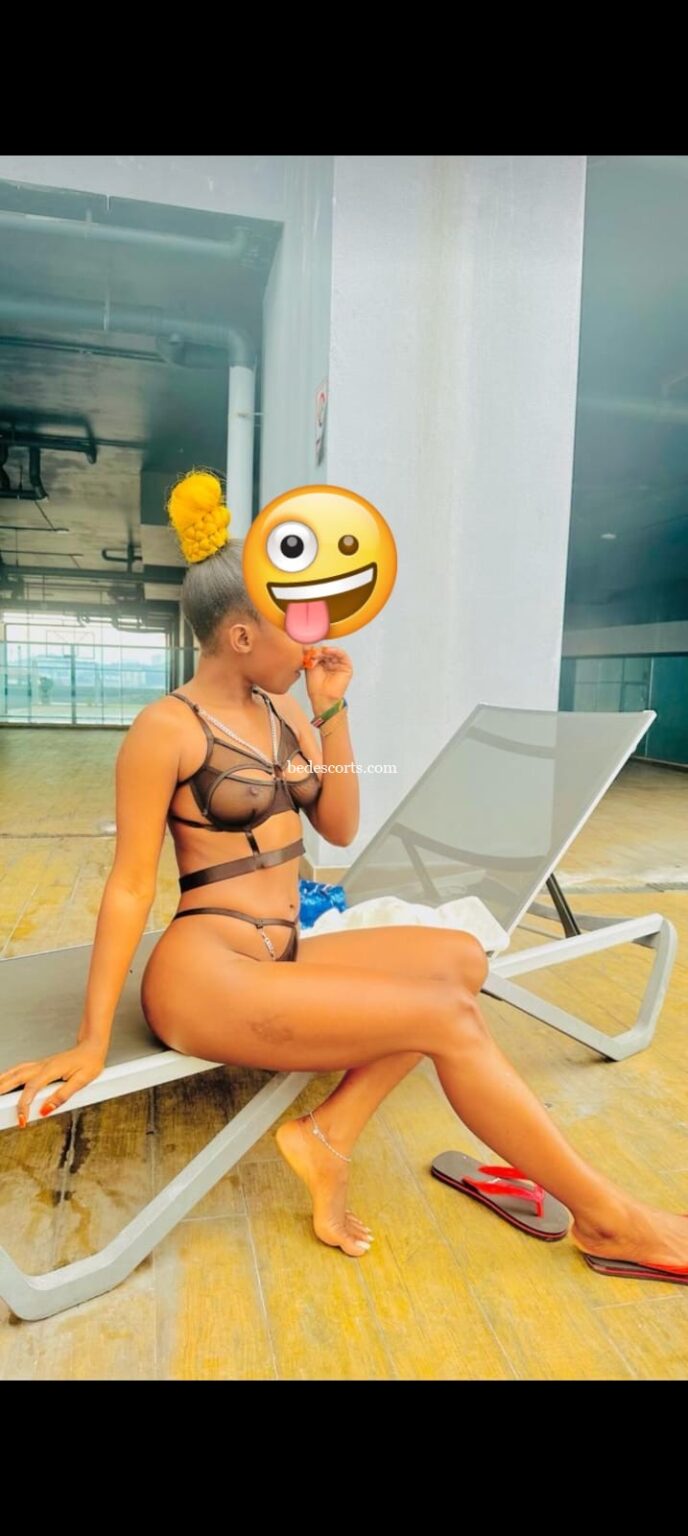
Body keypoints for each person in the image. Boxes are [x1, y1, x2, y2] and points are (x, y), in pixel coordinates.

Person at [1, 470, 687, 1286]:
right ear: (242, 635)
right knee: (443, 1018)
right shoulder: (166, 729)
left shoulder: (286, 710)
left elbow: (340, 824)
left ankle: (325, 1136)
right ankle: (611, 1218)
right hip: (205, 972)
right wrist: (90, 1041)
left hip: (285, 946)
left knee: (461, 960)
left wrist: (331, 708)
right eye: (299, 626)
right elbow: (127, 887)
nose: (316, 642)